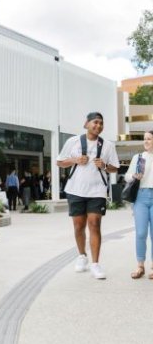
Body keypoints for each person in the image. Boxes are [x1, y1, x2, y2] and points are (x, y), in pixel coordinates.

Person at [57, 112, 119, 279]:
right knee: (78, 226)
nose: (98, 126)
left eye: (101, 123)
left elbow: (115, 167)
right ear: (86, 124)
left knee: (94, 224)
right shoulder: (73, 141)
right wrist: (75, 160)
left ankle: (95, 264)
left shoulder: (108, 145)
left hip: (97, 191)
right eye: (95, 122)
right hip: (75, 190)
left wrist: (105, 165)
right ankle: (82, 256)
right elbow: (59, 162)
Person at [125, 130, 153, 280]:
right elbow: (127, 175)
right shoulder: (139, 157)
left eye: (149, 139)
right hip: (141, 197)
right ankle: (140, 265)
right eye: (145, 139)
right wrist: (134, 176)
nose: (146, 141)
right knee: (141, 233)